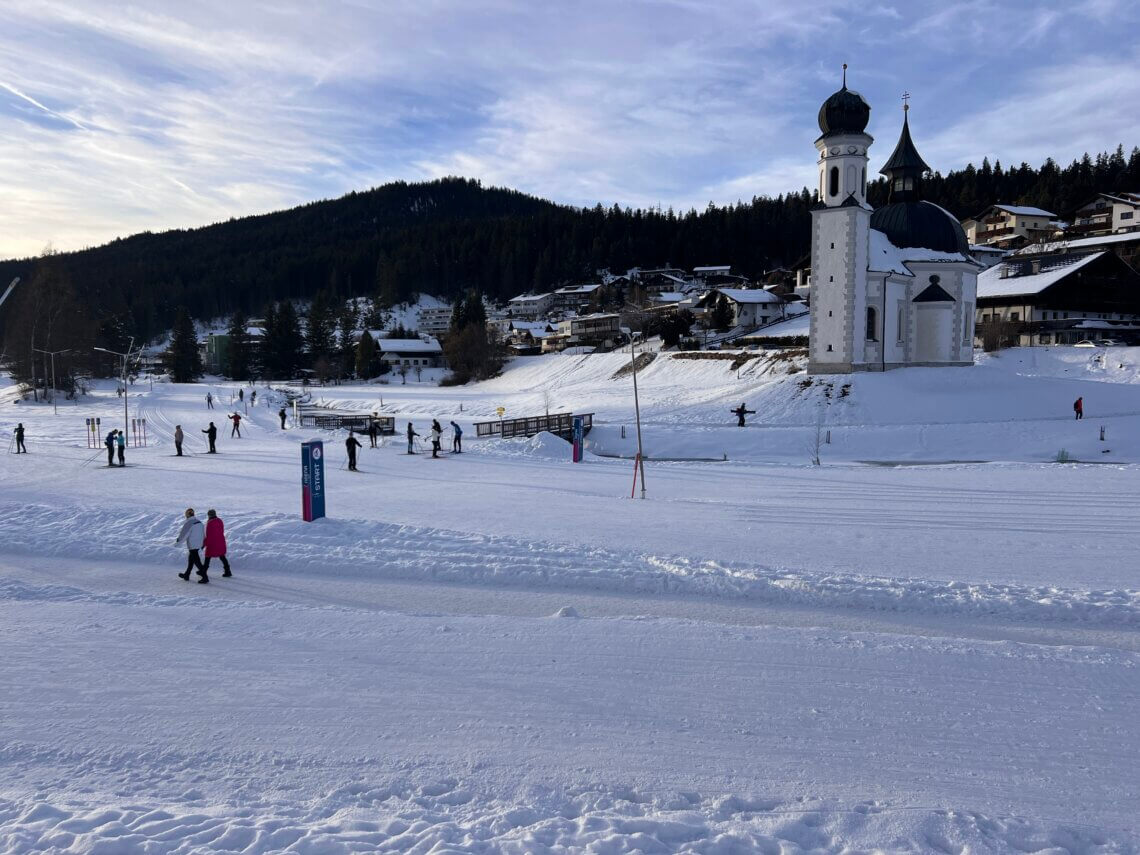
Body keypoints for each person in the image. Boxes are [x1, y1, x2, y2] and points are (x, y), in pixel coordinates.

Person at [174, 508, 208, 583]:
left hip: (192, 545)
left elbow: (184, 534)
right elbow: (203, 534)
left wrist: (178, 542)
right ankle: (187, 574)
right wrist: (202, 544)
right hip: (198, 544)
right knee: (191, 560)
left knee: (197, 561)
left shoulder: (189, 523)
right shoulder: (199, 522)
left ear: (187, 515)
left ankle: (205, 577)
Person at [203, 509, 231, 578]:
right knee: (222, 556)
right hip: (220, 542)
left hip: (212, 543)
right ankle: (228, 571)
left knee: (207, 557)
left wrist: (204, 543)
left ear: (209, 515)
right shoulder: (220, 521)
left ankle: (203, 572)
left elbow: (209, 535)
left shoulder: (210, 523)